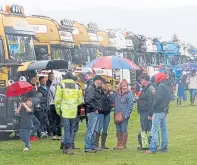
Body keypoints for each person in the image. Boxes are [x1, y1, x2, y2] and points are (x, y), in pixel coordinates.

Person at [54, 72, 83, 155]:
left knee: (66, 130)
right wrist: (74, 105)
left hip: (64, 110)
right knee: (70, 130)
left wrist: (58, 109)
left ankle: (67, 147)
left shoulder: (60, 85)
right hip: (73, 111)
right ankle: (68, 146)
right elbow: (80, 100)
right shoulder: (77, 86)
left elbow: (57, 100)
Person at [145, 72, 172, 154]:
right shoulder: (168, 85)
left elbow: (159, 98)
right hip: (164, 110)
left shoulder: (161, 86)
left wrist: (153, 108)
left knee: (154, 129)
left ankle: (153, 148)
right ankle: (164, 147)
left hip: (158, 110)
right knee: (164, 129)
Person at [84, 75, 105, 153]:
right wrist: (95, 108)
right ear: (97, 80)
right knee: (91, 130)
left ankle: (92, 146)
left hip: (94, 111)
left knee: (93, 130)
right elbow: (88, 100)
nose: (101, 82)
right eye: (101, 80)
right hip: (92, 111)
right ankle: (87, 147)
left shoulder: (95, 88)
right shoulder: (91, 88)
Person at [114, 79, 133, 150]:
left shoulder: (129, 93)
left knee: (123, 129)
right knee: (118, 129)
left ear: (127, 85)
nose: (124, 84)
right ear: (121, 85)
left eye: (126, 83)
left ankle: (123, 144)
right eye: (123, 83)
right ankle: (118, 144)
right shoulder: (117, 93)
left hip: (124, 114)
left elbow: (130, 105)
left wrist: (127, 114)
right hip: (117, 114)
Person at [94, 84, 114, 149]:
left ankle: (103, 145)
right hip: (101, 112)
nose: (105, 87)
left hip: (107, 112)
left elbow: (111, 102)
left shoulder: (109, 94)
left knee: (105, 129)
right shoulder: (99, 93)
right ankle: (96, 144)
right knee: (99, 128)